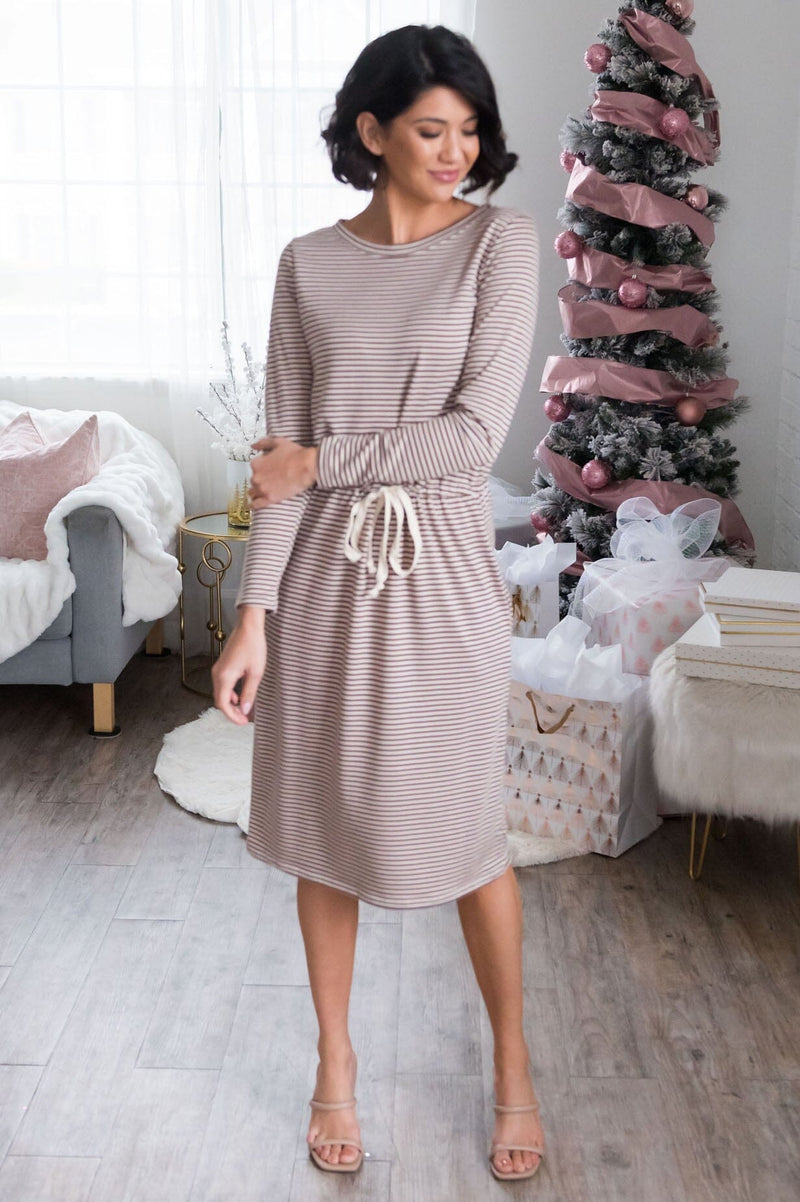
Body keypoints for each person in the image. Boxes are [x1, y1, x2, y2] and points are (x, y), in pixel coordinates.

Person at [212, 23, 544, 1184]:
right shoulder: (307, 263)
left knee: (466, 832)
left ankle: (511, 1062)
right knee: (324, 825)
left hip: (441, 576)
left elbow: (468, 439)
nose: (456, 152)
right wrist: (252, 616)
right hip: (320, 583)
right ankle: (334, 1064)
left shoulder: (500, 244)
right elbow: (279, 458)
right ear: (372, 131)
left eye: (468, 131)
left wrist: (324, 460)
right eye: (429, 130)